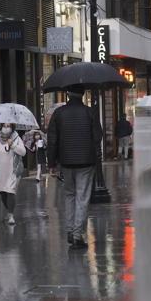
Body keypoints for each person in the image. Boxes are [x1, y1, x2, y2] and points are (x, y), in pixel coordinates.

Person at [47, 84, 103, 249]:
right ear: (83, 94)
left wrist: (51, 163)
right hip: (86, 161)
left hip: (66, 161)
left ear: (68, 94)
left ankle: (70, 230)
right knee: (82, 197)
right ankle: (77, 235)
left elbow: (52, 140)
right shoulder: (89, 112)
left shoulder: (59, 113)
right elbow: (97, 136)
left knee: (69, 195)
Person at [0, 123, 26, 225]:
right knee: (3, 192)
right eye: (4, 125)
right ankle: (9, 212)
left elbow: (23, 152)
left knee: (10, 191)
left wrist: (12, 145)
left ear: (12, 127)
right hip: (0, 170)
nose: (6, 128)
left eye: (8, 126)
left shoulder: (16, 137)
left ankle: (11, 215)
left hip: (12, 170)